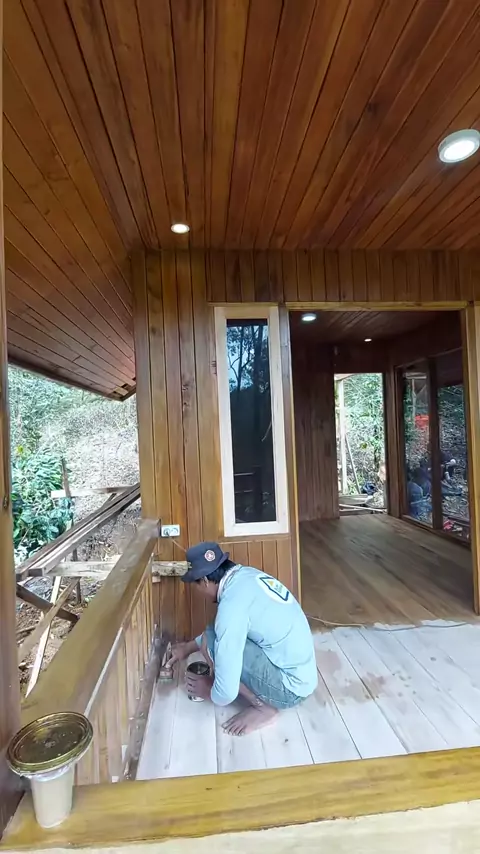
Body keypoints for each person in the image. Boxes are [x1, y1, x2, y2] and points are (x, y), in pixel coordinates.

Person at [167, 542, 318, 737]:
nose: (198, 591)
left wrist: (209, 691)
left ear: (204, 581)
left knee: (211, 641)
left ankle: (263, 708)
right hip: (304, 675)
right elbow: (223, 630)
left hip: (288, 689)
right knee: (215, 635)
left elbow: (226, 693)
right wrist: (188, 648)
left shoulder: (231, 607)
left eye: (195, 585)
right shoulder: (245, 576)